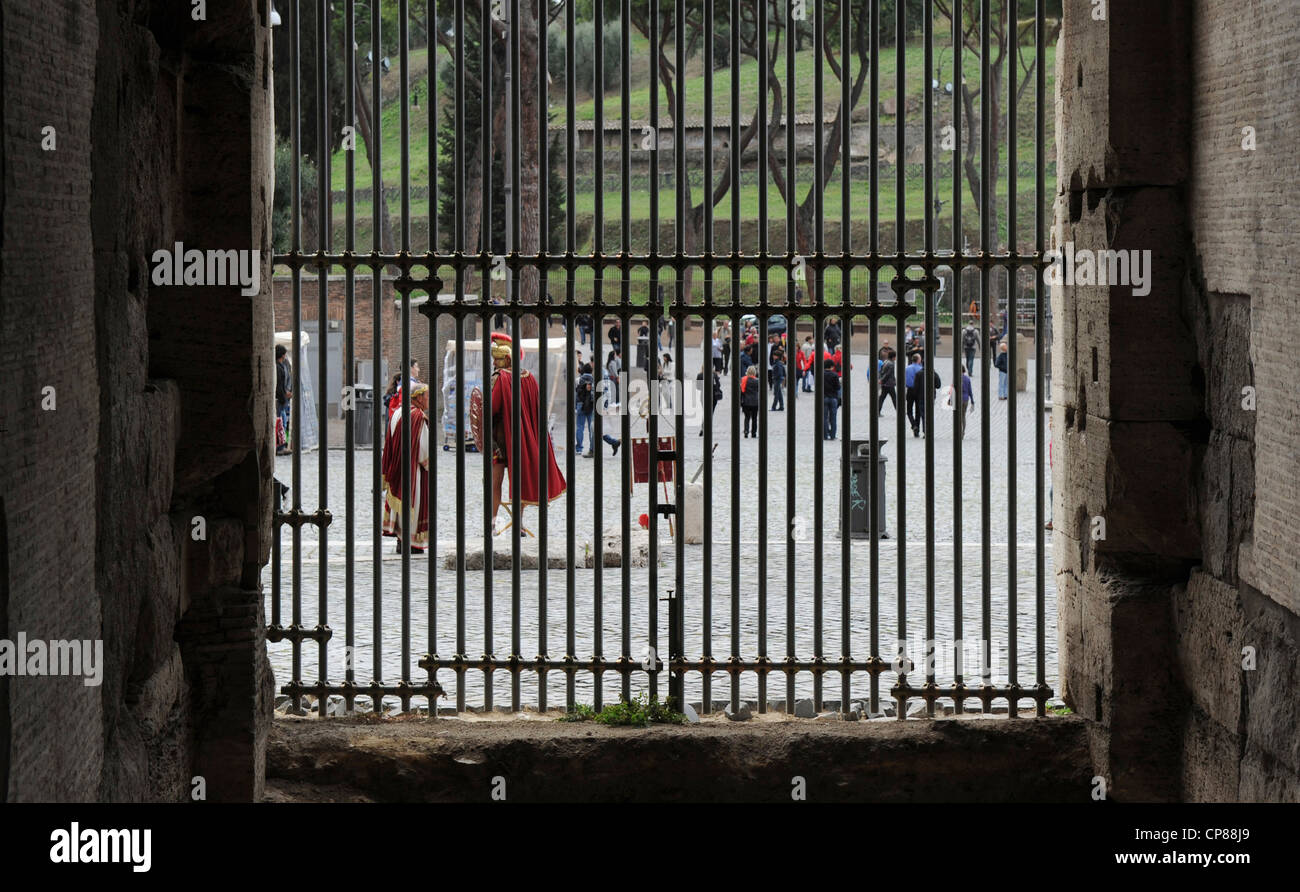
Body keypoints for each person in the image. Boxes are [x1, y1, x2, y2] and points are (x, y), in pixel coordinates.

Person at [486, 332, 567, 535]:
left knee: (495, 483)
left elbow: (490, 408)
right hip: (523, 441)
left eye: (498, 359)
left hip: (499, 441)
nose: (495, 363)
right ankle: (518, 524)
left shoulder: (500, 377)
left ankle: (492, 523)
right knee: (519, 481)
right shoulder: (529, 377)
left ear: (506, 358)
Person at [381, 383, 431, 553]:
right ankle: (412, 543)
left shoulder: (397, 413)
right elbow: (423, 451)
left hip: (397, 468)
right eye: (426, 396)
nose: (428, 400)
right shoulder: (417, 416)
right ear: (418, 397)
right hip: (413, 471)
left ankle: (401, 540)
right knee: (413, 504)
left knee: (400, 505)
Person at [575, 362, 619, 457]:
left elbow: (580, 393)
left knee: (586, 427)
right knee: (594, 429)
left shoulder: (583, 379)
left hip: (590, 405)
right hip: (593, 406)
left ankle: (587, 449)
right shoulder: (599, 375)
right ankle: (611, 443)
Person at [275, 345, 293, 455]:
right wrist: (284, 396)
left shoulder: (281, 366)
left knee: (283, 423)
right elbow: (279, 385)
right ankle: (280, 447)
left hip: (283, 399)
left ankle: (282, 445)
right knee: (281, 423)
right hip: (281, 400)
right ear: (282, 354)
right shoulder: (278, 367)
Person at [823, 361, 842, 439]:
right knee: (833, 418)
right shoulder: (835, 375)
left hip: (824, 397)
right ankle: (833, 435)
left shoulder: (821, 374)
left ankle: (825, 434)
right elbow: (838, 387)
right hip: (833, 398)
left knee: (824, 417)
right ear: (831, 367)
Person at [956, 364, 975, 441]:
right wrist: (972, 401)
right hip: (965, 399)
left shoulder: (956, 378)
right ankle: (962, 431)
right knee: (963, 416)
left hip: (958, 399)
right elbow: (970, 390)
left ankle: (958, 431)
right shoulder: (967, 379)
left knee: (957, 416)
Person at [740, 365, 760, 437]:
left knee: (747, 417)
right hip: (755, 402)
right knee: (754, 418)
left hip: (746, 401)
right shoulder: (757, 381)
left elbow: (741, 391)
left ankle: (746, 431)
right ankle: (753, 433)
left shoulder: (743, 380)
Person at [878, 347, 897, 414]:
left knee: (882, 398)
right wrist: (882, 380)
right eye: (895, 357)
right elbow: (888, 374)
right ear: (893, 357)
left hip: (884, 384)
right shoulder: (891, 364)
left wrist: (880, 379)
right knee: (894, 398)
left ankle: (877, 411)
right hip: (889, 384)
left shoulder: (885, 361)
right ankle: (899, 411)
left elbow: (880, 371)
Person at [770, 347, 786, 411]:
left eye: (774, 355)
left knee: (776, 394)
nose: (773, 356)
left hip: (777, 379)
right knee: (779, 393)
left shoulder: (777, 363)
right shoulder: (779, 363)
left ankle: (774, 407)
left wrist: (775, 377)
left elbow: (779, 372)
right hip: (778, 379)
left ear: (776, 356)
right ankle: (781, 406)